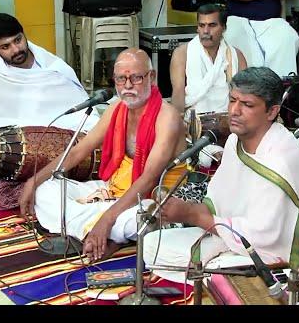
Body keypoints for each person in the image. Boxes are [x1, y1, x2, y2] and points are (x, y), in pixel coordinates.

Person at [142, 67, 299, 282]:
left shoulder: (280, 161)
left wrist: (192, 215)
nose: (234, 111)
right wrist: (176, 207)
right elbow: (221, 203)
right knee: (152, 244)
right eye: (232, 100)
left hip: (280, 257)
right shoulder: (235, 141)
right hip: (232, 237)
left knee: (215, 271)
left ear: (272, 111)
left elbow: (265, 237)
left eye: (247, 105)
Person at [18, 49, 186, 262]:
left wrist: (107, 219)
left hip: (151, 197)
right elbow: (79, 150)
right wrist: (33, 181)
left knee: (141, 218)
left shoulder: (167, 117)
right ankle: (93, 233)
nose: (127, 86)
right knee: (47, 189)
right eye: (120, 79)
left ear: (151, 78)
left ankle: (98, 228)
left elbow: (149, 179)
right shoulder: (116, 108)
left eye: (136, 78)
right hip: (112, 190)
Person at [0, 13, 100, 195]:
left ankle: (39, 188)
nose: (16, 49)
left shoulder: (54, 69)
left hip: (58, 150)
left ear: (24, 34)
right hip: (9, 154)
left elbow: (88, 116)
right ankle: (36, 190)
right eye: (5, 47)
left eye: (18, 40)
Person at [169, 4, 247, 114]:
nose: (206, 31)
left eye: (212, 25)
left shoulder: (237, 56)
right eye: (201, 25)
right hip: (193, 122)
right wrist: (178, 124)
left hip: (227, 121)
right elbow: (178, 94)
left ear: (224, 27)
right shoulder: (182, 54)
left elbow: (243, 96)